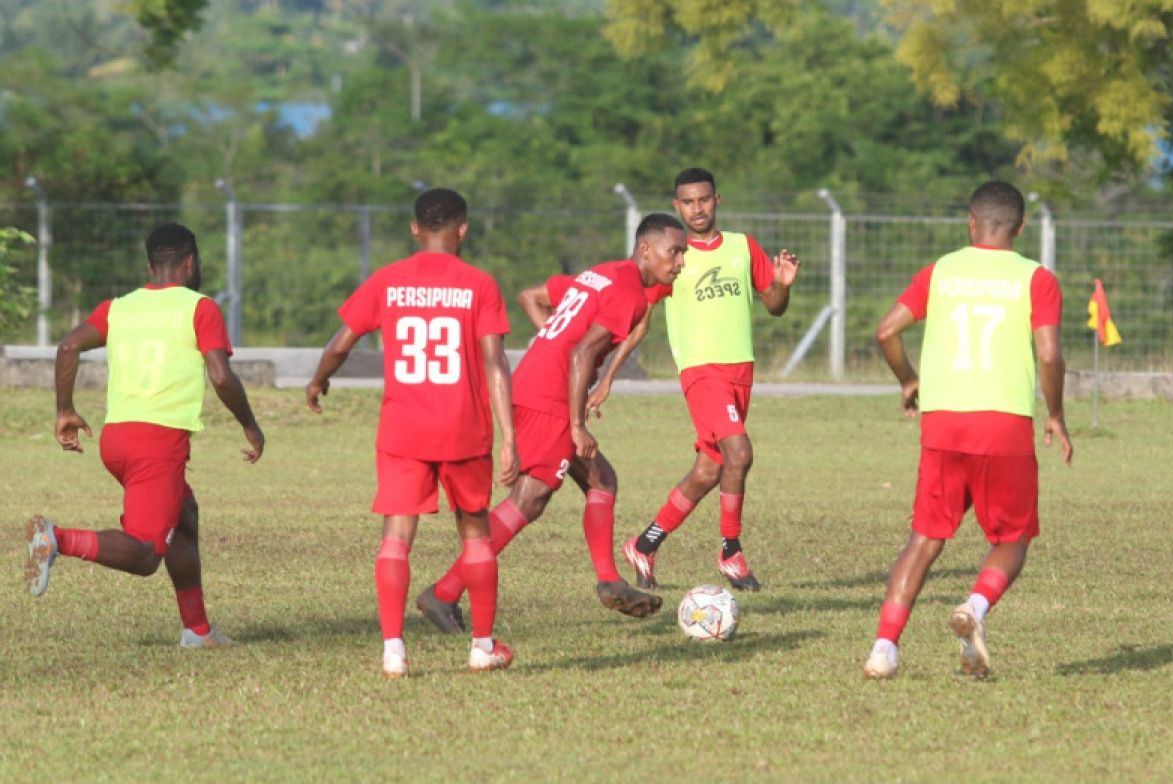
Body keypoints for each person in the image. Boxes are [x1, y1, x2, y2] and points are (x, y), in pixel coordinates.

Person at [414, 213, 687, 634]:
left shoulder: (603, 273)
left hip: (536, 384)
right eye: (675, 251)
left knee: (602, 481)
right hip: (552, 399)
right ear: (646, 249)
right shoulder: (629, 292)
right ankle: (445, 592)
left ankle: (609, 579)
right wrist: (577, 424)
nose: (680, 261)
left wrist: (551, 342)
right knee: (529, 500)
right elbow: (580, 355)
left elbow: (537, 300)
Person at [862, 180, 1073, 680]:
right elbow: (1048, 353)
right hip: (1002, 425)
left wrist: (909, 379)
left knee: (924, 538)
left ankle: (884, 649)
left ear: (970, 222)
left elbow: (886, 331)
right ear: (1020, 229)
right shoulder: (1036, 278)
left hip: (943, 422)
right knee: (1013, 536)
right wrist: (1057, 413)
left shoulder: (942, 271)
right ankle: (974, 609)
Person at [306, 188, 518, 678]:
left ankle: (394, 651)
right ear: (463, 229)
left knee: (396, 539)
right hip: (464, 428)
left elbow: (341, 342)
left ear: (414, 228)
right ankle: (482, 646)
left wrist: (319, 379)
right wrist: (510, 437)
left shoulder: (388, 281)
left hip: (404, 429)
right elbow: (495, 362)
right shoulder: (480, 285)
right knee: (476, 536)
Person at [24, 222, 264, 649]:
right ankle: (56, 538)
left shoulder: (119, 307)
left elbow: (67, 348)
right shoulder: (199, 307)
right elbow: (221, 376)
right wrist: (250, 423)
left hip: (116, 439)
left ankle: (198, 631)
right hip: (157, 444)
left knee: (184, 519)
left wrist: (65, 410)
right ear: (191, 261)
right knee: (145, 553)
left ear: (149, 264)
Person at [591, 167, 799, 593]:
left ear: (717, 201)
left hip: (741, 371)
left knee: (709, 470)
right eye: (687, 202)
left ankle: (644, 544)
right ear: (676, 206)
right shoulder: (674, 257)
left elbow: (774, 305)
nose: (697, 208)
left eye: (703, 200)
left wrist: (782, 284)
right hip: (702, 374)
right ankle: (730, 552)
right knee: (739, 452)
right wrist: (607, 376)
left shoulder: (742, 247)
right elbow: (639, 326)